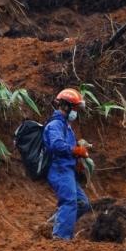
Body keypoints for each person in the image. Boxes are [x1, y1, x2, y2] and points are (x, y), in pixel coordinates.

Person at [43, 88, 90, 240]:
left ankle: (53, 225)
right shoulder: (55, 125)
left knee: (82, 203)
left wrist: (77, 160)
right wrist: (76, 150)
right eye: (75, 108)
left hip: (68, 169)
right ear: (66, 106)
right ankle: (60, 238)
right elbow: (56, 145)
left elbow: (67, 148)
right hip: (59, 169)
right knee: (69, 201)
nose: (76, 112)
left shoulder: (66, 126)